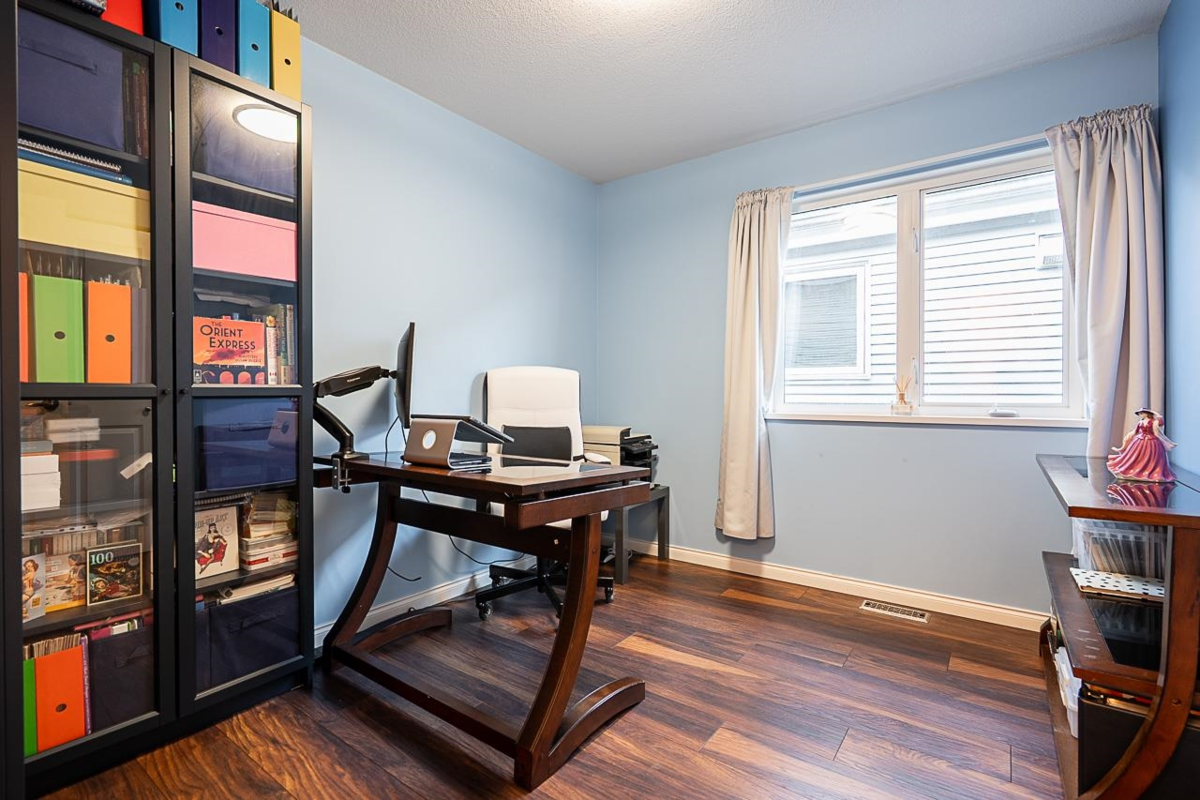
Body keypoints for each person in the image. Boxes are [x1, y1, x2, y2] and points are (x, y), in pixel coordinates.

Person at [1107, 408, 1177, 483]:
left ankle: (1150, 471)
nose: (1140, 415)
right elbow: (1135, 431)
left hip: (1151, 441)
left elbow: (1160, 424)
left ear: (1147, 413)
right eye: (1140, 413)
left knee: (1152, 457)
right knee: (1134, 456)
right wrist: (1128, 437)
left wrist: (1155, 414)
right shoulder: (1140, 422)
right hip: (1139, 440)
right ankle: (1135, 469)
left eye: (1142, 413)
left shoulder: (1154, 422)